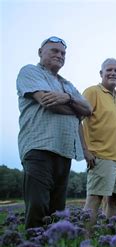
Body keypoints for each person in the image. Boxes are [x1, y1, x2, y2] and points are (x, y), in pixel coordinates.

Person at [17, 36, 92, 228]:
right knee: (38, 207)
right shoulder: (30, 72)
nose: (60, 55)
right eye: (54, 51)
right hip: (39, 147)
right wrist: (75, 110)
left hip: (64, 150)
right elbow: (47, 103)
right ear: (40, 52)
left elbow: (88, 109)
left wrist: (66, 97)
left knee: (58, 211)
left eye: (63, 53)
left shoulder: (67, 84)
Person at [82, 58, 116, 226]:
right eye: (109, 70)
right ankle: (85, 243)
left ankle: (112, 242)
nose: (113, 73)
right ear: (101, 73)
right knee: (95, 199)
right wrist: (85, 151)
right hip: (101, 156)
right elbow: (78, 121)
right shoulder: (92, 92)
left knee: (115, 201)